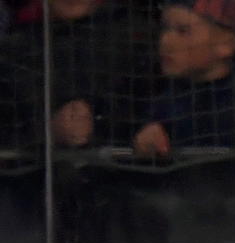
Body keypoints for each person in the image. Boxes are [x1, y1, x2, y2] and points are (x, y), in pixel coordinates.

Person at [0, 0, 156, 151]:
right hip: (39, 174)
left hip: (120, 173)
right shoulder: (12, 51)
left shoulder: (135, 35)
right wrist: (48, 133)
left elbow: (153, 108)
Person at [131, 0, 235, 156]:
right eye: (165, 29)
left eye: (183, 31)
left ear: (226, 43)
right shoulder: (162, 101)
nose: (165, 41)